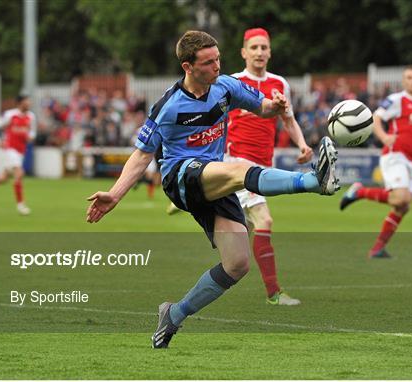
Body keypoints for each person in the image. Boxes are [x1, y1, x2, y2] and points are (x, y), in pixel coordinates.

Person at [86, 31, 339, 348]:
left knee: (237, 264)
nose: (218, 66)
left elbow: (261, 108)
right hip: (181, 176)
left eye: (218, 59)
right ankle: (314, 181)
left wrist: (275, 105)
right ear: (188, 66)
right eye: (209, 62)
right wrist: (115, 194)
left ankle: (173, 315)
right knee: (240, 169)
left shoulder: (225, 87)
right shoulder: (168, 106)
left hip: (213, 180)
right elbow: (142, 154)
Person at [225, 28, 313, 306]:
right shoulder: (233, 82)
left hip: (264, 164)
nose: (259, 52)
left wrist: (302, 144)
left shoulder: (279, 84)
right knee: (265, 220)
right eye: (254, 48)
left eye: (264, 47)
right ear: (244, 52)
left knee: (242, 232)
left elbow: (288, 119)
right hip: (238, 163)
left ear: (270, 52)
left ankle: (198, 197)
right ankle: (274, 293)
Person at [339, 66, 412, 258]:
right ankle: (359, 191)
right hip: (395, 154)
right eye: (410, 77)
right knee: (400, 198)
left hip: (411, 160)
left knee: (403, 206)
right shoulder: (397, 99)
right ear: (404, 81)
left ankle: (377, 249)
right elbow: (376, 117)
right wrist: (383, 136)